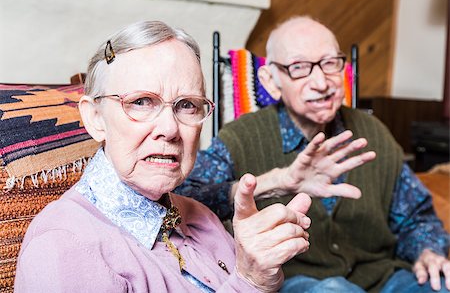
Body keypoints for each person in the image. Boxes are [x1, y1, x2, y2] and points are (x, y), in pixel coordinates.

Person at [14, 20, 317, 292]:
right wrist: (249, 283)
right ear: (95, 118)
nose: (170, 129)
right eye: (142, 101)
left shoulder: (202, 217)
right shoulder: (64, 246)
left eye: (187, 105)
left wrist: (265, 273)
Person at [176, 16, 450, 292]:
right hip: (295, 281)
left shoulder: (373, 132)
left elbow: (416, 215)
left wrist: (427, 251)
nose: (321, 82)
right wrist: (277, 181)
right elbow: (185, 199)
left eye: (330, 63)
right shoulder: (241, 137)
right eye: (300, 67)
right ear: (271, 81)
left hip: (384, 278)